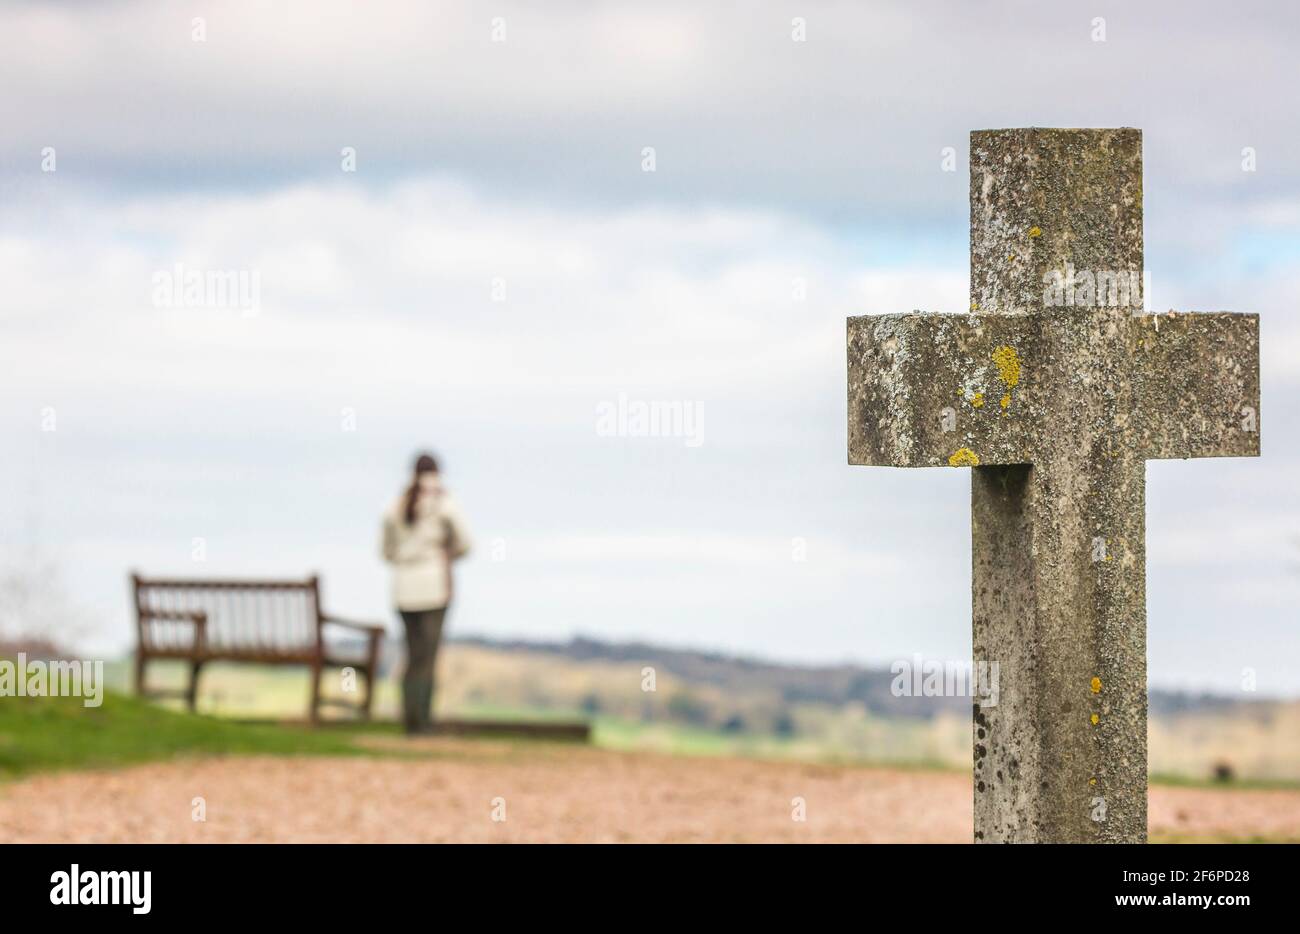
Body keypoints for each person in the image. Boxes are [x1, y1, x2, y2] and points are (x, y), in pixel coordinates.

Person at [380, 453, 472, 734]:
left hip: (403, 589)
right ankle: (423, 722)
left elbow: (386, 552)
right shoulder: (444, 503)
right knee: (428, 658)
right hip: (434, 588)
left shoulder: (395, 506)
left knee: (412, 656)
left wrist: (407, 557)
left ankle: (409, 720)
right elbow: (466, 543)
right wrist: (443, 554)